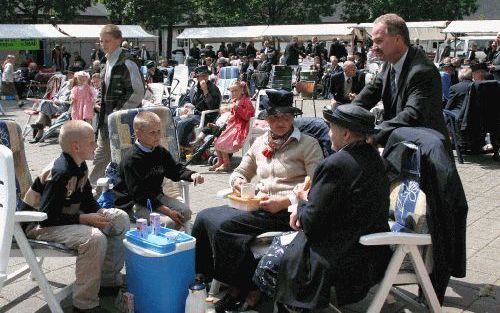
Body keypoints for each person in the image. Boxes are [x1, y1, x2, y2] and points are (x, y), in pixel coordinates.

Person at [192, 89, 324, 312]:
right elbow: (242, 170)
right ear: (266, 119)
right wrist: (237, 180)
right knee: (205, 217)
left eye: (285, 116)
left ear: (293, 117)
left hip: (287, 212)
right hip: (257, 205)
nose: (280, 122)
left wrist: (284, 201)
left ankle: (247, 287)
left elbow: (317, 184)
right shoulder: (260, 141)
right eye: (274, 117)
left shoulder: (308, 144)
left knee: (226, 228)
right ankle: (210, 276)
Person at [254, 104, 392, 311]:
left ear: (345, 134)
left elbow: (311, 222)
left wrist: (300, 200)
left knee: (273, 260)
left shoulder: (337, 164)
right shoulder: (374, 158)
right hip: (370, 249)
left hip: (343, 251)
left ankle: (289, 307)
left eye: (331, 128)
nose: (328, 133)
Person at [23, 120, 130, 313]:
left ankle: (107, 281)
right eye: (92, 142)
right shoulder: (60, 173)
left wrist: (99, 212)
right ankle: (84, 304)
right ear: (76, 146)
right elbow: (46, 217)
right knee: (94, 239)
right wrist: (84, 219)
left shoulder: (79, 166)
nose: (96, 146)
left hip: (61, 219)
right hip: (37, 226)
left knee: (119, 218)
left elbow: (87, 199)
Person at [351, 13, 449, 146]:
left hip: (424, 153)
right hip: (400, 144)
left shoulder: (422, 71)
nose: (373, 47)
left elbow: (412, 115)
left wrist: (375, 134)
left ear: (398, 40)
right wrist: (346, 117)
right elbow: (369, 94)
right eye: (373, 41)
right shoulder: (389, 62)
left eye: (379, 41)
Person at [112, 111, 204, 229]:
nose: (157, 136)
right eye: (152, 133)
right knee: (169, 222)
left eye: (159, 131)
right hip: (134, 204)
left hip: (155, 197)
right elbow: (138, 194)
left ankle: (167, 240)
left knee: (185, 212)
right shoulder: (132, 159)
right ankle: (158, 243)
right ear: (138, 134)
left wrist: (192, 175)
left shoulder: (159, 151)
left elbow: (174, 169)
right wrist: (168, 212)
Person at [88, 24, 145, 187]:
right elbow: (104, 88)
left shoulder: (126, 61)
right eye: (101, 41)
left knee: (125, 157)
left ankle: (124, 191)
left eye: (107, 41)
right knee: (102, 157)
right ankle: (94, 191)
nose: (103, 44)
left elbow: (137, 92)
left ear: (118, 41)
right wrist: (99, 101)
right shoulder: (107, 61)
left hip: (123, 121)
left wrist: (118, 113)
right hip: (106, 121)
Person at [209, 81, 255, 172]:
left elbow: (248, 116)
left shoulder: (247, 101)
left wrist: (238, 109)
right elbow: (233, 114)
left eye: (236, 90)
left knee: (223, 140)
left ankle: (226, 164)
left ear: (242, 90)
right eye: (232, 91)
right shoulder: (235, 100)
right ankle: (220, 161)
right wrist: (229, 116)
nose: (233, 93)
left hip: (241, 126)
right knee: (216, 140)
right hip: (233, 124)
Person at [175, 65, 221, 148]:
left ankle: (182, 147)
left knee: (182, 123)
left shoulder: (213, 88)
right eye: (202, 76)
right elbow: (188, 99)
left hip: (207, 116)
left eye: (206, 75)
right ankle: (175, 145)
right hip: (194, 114)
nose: (204, 77)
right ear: (197, 77)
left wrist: (205, 91)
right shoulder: (195, 87)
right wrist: (186, 106)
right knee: (174, 120)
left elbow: (213, 106)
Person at [30, 71, 74, 143]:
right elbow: (56, 95)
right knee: (45, 102)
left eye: (70, 74)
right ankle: (40, 125)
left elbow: (71, 101)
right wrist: (56, 99)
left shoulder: (77, 87)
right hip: (55, 105)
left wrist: (60, 102)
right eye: (67, 74)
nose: (67, 76)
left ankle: (39, 128)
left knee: (45, 104)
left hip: (65, 108)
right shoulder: (65, 84)